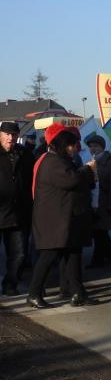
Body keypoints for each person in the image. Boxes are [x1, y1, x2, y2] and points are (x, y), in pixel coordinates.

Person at [27, 124, 97, 308]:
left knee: (73, 255)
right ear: (64, 145)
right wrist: (88, 169)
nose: (76, 149)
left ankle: (78, 293)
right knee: (48, 256)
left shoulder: (59, 160)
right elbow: (71, 180)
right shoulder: (53, 162)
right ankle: (34, 293)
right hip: (54, 221)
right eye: (73, 145)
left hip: (64, 219)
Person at [0, 122, 33, 296]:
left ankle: (10, 284)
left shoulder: (25, 154)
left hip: (19, 212)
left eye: (13, 135)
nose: (10, 138)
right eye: (7, 134)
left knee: (19, 253)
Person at [85, 134, 111, 268]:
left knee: (99, 232)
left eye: (95, 146)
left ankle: (98, 259)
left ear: (102, 147)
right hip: (95, 203)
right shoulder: (92, 161)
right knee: (99, 232)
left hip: (105, 203)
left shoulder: (109, 162)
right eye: (91, 147)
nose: (93, 149)